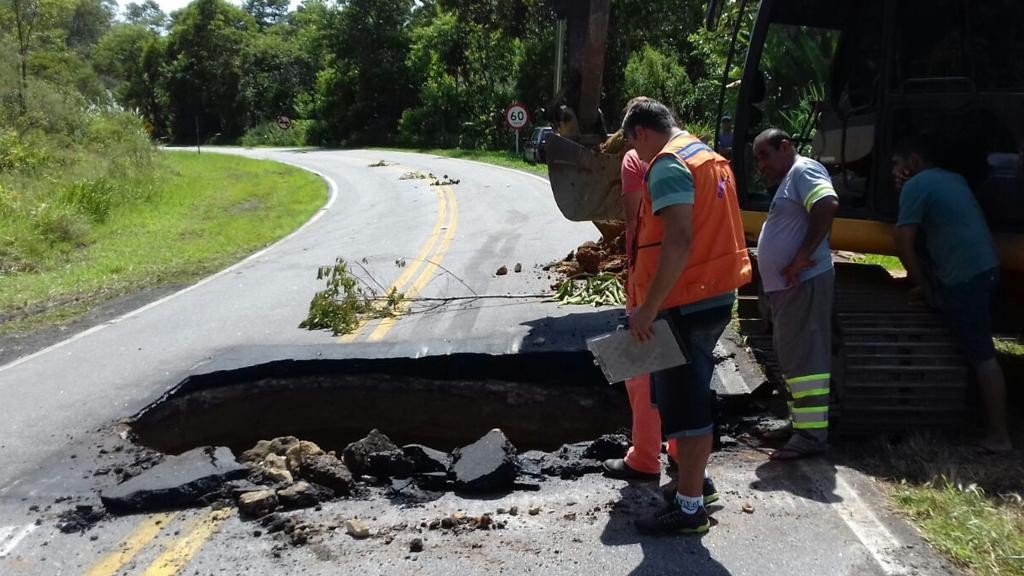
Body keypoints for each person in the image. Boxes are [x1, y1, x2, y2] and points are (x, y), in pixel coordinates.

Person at [623, 99, 752, 535]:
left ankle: (690, 508)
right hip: (713, 292)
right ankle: (697, 487)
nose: (638, 157)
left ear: (642, 132)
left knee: (688, 404)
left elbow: (678, 240)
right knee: (691, 393)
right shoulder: (708, 157)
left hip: (684, 300)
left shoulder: (667, 164)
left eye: (634, 147)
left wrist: (648, 308)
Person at [892, 136, 1012, 454]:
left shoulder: (916, 185)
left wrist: (923, 284)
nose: (893, 171)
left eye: (896, 163)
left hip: (965, 275)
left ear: (913, 162)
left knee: (982, 355)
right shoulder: (953, 178)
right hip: (986, 267)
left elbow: (903, 241)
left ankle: (999, 436)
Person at [752, 128, 839, 460]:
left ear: (785, 146)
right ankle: (800, 424)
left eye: (765, 155)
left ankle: (811, 436)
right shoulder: (790, 180)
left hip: (803, 283)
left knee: (807, 362)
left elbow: (827, 204)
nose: (761, 165)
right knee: (793, 358)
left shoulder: (804, 169)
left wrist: (802, 256)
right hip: (787, 289)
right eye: (757, 159)